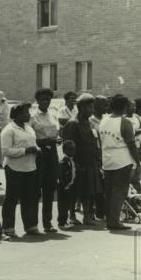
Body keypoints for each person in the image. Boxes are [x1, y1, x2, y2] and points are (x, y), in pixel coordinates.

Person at [98, 93, 139, 230]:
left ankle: (110, 219)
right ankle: (114, 221)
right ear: (125, 107)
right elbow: (132, 144)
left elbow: (100, 140)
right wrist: (137, 161)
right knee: (119, 191)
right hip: (122, 160)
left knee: (109, 191)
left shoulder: (103, 120)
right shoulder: (125, 122)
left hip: (107, 160)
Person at [60, 94, 102, 226]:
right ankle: (72, 216)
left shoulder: (87, 122)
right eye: (89, 107)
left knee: (89, 190)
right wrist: (74, 163)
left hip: (91, 162)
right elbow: (68, 145)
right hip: (78, 163)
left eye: (93, 107)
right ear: (81, 108)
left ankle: (88, 215)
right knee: (76, 191)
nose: (92, 110)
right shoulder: (73, 123)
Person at [0, 102, 40, 237]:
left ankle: (31, 226)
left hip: (30, 167)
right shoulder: (9, 130)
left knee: (30, 198)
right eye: (26, 112)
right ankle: (7, 228)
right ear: (17, 115)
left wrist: (36, 150)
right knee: (12, 198)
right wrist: (25, 150)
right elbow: (5, 151)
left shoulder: (29, 129)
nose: (28, 115)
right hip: (14, 168)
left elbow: (33, 144)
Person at [30, 88, 61, 233]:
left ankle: (47, 223)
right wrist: (45, 141)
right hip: (39, 153)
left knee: (50, 188)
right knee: (36, 189)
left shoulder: (53, 115)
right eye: (43, 99)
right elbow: (30, 138)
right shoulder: (32, 117)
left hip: (52, 152)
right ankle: (33, 224)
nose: (45, 102)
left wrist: (56, 139)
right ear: (37, 100)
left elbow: (57, 132)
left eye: (48, 99)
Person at [126, 99, 141, 194]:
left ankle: (139, 192)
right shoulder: (124, 118)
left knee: (138, 169)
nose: (134, 108)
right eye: (131, 106)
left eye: (134, 106)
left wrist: (134, 133)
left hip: (137, 146)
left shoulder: (136, 116)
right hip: (128, 147)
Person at [57, 139, 79, 229]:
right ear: (64, 150)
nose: (72, 151)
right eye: (70, 149)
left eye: (73, 149)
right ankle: (61, 223)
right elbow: (60, 174)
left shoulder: (72, 160)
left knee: (67, 204)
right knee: (62, 205)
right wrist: (64, 184)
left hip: (70, 186)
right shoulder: (63, 161)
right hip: (64, 187)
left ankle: (65, 220)